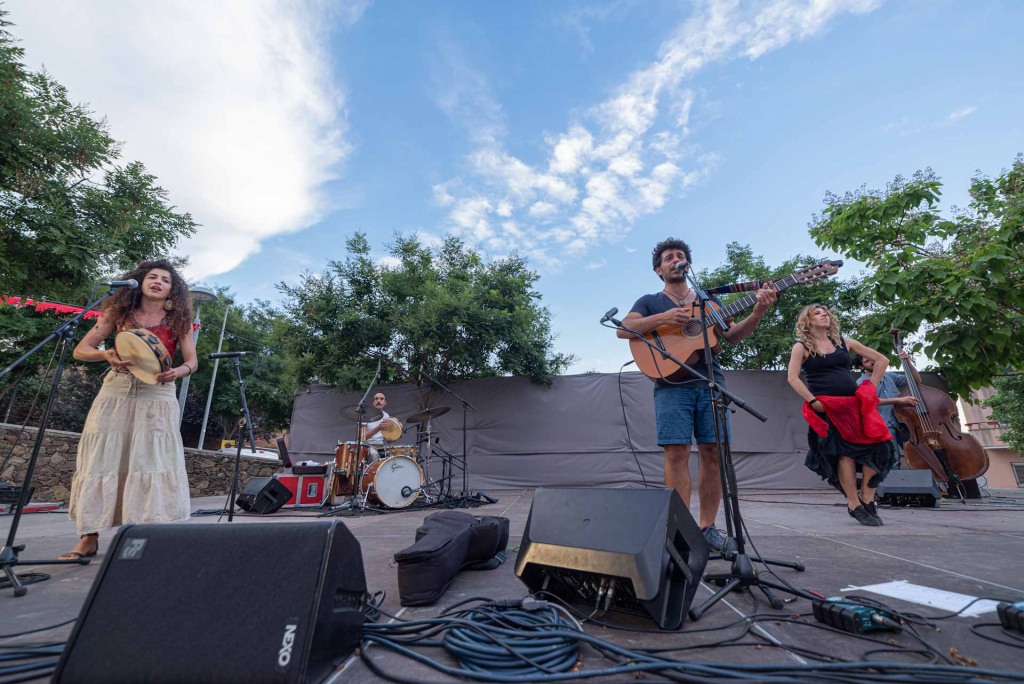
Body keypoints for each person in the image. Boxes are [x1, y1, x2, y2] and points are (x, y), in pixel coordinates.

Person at [618, 238, 777, 551]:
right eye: (668, 257)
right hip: (671, 384)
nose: (676, 260)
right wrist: (664, 319)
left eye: (680, 256)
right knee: (675, 452)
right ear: (659, 270)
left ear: (687, 265)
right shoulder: (650, 300)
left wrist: (758, 311)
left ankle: (707, 529)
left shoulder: (709, 301)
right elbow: (625, 329)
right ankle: (679, 530)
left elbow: (731, 337)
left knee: (713, 454)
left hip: (710, 381)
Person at [60, 259, 199, 560]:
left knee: (150, 460)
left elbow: (192, 361)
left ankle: (145, 535)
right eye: (153, 277)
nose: (158, 282)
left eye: (165, 279)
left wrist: (179, 371)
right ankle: (89, 537)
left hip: (158, 392)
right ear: (140, 281)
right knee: (102, 459)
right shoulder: (117, 312)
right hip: (117, 388)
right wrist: (105, 353)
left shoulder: (180, 322)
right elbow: (80, 349)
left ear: (172, 290)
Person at [786, 304, 897, 526]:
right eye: (817, 313)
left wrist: (871, 386)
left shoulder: (845, 343)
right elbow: (793, 378)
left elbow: (882, 360)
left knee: (880, 448)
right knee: (844, 454)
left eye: (825, 312)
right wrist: (813, 400)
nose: (824, 314)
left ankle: (867, 498)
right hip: (828, 408)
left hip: (855, 406)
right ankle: (854, 503)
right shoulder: (802, 346)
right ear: (808, 320)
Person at [851, 351, 920, 459]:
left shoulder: (889, 376)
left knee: (918, 454)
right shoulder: (861, 382)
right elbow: (870, 401)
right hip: (885, 425)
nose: (872, 362)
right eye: (867, 361)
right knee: (893, 460)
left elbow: (916, 381)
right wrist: (899, 400)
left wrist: (908, 362)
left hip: (904, 420)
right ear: (861, 366)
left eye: (871, 358)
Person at [363, 391, 397, 456]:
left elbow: (387, 439)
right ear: (373, 403)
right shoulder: (365, 415)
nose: (379, 401)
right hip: (368, 446)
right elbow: (362, 437)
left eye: (381, 399)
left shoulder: (386, 416)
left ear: (385, 403)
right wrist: (378, 428)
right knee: (374, 454)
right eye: (376, 399)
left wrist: (393, 437)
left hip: (381, 446)